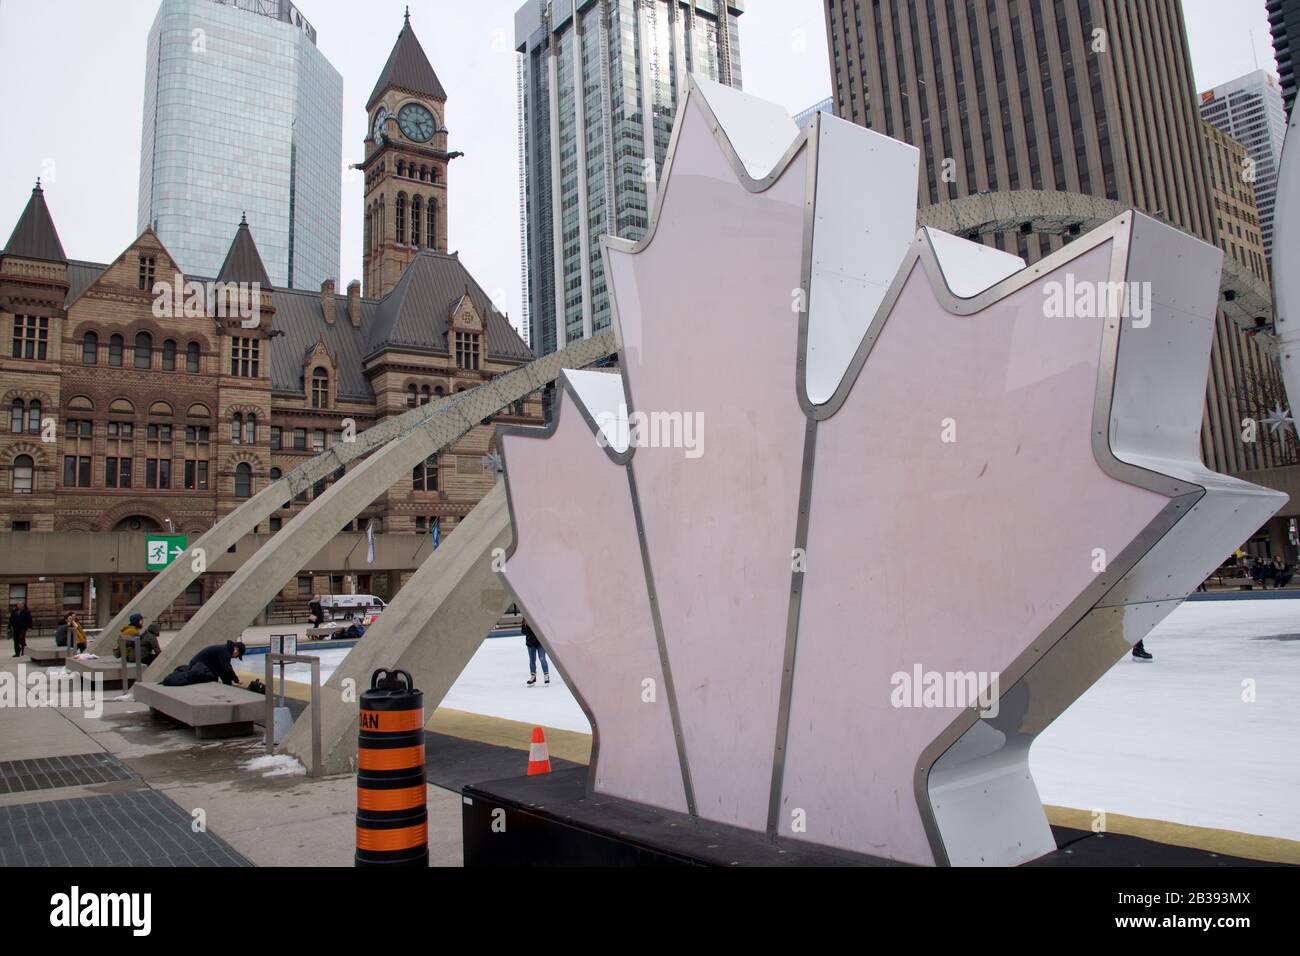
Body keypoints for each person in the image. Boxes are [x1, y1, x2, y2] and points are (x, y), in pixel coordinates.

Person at [521, 618, 549, 687]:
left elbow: (544, 629)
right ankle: (533, 677)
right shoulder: (525, 619)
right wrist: (527, 626)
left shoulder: (538, 618)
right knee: (532, 660)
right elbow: (523, 632)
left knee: (542, 658)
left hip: (540, 643)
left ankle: (546, 675)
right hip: (530, 644)